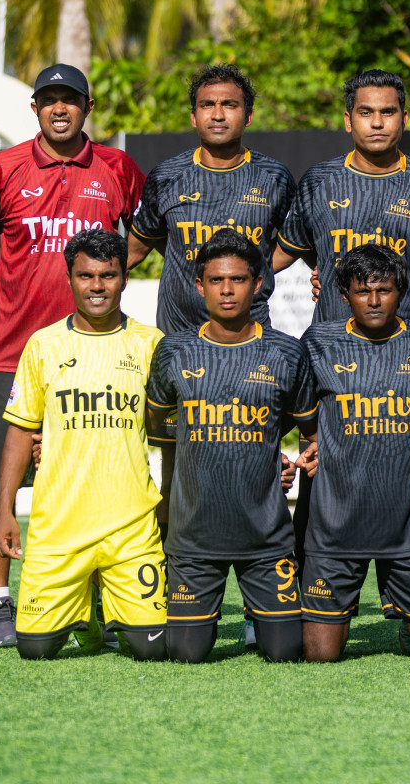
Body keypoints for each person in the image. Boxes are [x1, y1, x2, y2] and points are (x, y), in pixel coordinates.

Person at [0, 63, 145, 650]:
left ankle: (96, 599)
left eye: (70, 99)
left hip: (94, 346)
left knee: (92, 474)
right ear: (37, 109)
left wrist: (111, 276)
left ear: (88, 106)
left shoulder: (116, 167)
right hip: (9, 350)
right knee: (0, 481)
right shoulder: (4, 168)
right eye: (49, 100)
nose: (59, 109)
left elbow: (143, 231)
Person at [0, 229, 166, 660]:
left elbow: (168, 431)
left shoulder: (151, 345)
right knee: (35, 650)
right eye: (86, 276)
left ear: (124, 279)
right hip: (60, 529)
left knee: (152, 649)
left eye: (108, 275)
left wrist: (171, 502)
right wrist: (4, 508)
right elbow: (18, 430)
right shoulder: (43, 345)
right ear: (68, 277)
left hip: (131, 529)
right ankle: (86, 608)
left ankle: (104, 602)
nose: (97, 286)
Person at [145, 229, 313, 663]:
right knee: (186, 655)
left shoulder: (286, 353)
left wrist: (288, 458)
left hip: (266, 540)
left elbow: (310, 430)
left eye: (238, 279)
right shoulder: (173, 351)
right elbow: (160, 432)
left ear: (257, 285)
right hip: (194, 541)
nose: (226, 290)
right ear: (198, 286)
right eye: (216, 280)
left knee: (286, 653)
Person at [296, 244, 410, 662]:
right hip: (336, 528)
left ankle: (408, 621)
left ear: (400, 292)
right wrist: (314, 444)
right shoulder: (318, 342)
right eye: (362, 291)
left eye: (383, 290)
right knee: (320, 658)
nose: (373, 300)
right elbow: (303, 412)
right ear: (344, 296)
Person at [274, 68, 410, 326]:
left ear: (404, 119)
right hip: (332, 347)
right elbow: (285, 251)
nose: (377, 123)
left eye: (387, 112)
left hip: (409, 349)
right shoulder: (318, 181)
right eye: (366, 112)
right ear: (348, 121)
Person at [128, 64, 295, 336]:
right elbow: (136, 248)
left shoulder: (275, 177)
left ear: (248, 116)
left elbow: (297, 241)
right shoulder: (166, 176)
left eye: (229, 105)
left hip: (250, 335)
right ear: (194, 117)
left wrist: (258, 265)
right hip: (180, 337)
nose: (218, 115)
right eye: (207, 105)